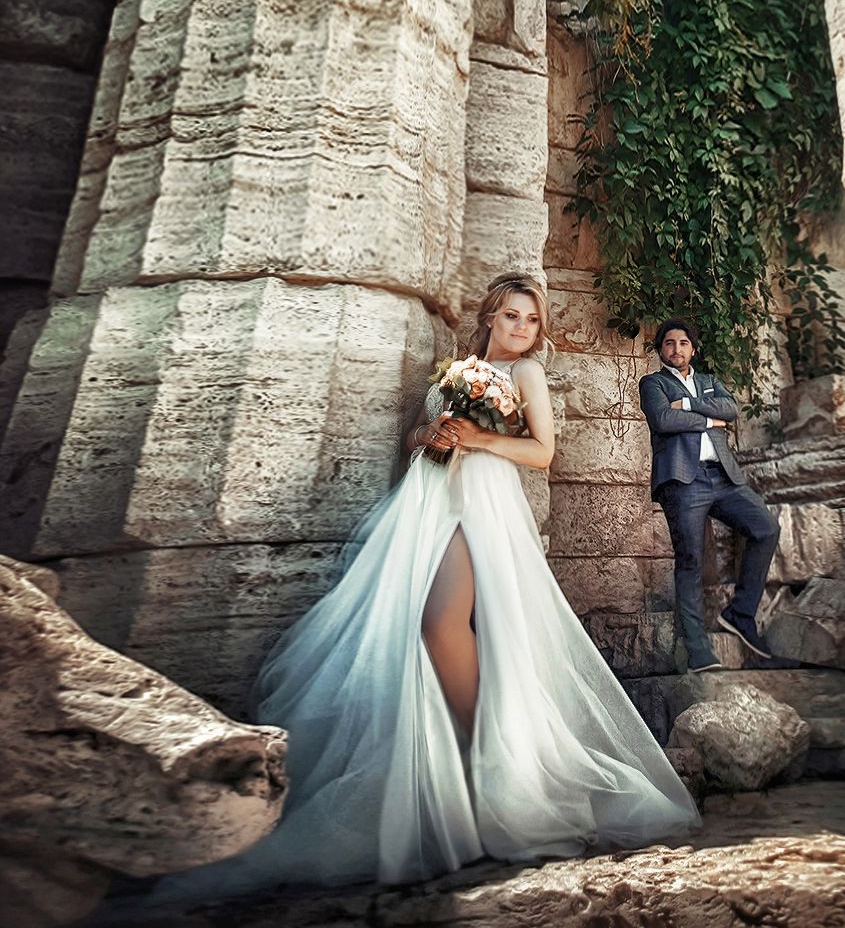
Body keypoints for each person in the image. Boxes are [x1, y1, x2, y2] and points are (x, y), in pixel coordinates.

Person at [153, 273, 697, 905]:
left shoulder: (525, 374)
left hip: (483, 503)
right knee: (406, 624)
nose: (522, 328)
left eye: (532, 320)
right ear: (490, 317)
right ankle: (453, 759)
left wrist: (478, 437)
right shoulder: (455, 371)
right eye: (512, 316)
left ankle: (484, 760)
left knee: (441, 624)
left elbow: (542, 451)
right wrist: (435, 434)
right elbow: (413, 435)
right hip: (429, 499)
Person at [638, 317, 780, 673]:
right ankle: (698, 651)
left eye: (683, 343)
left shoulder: (709, 381)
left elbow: (729, 409)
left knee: (766, 528)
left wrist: (686, 406)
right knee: (690, 560)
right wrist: (707, 419)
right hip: (683, 480)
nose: (676, 349)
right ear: (660, 350)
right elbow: (662, 420)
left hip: (723, 476)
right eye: (669, 343)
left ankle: (740, 613)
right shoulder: (653, 383)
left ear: (693, 349)